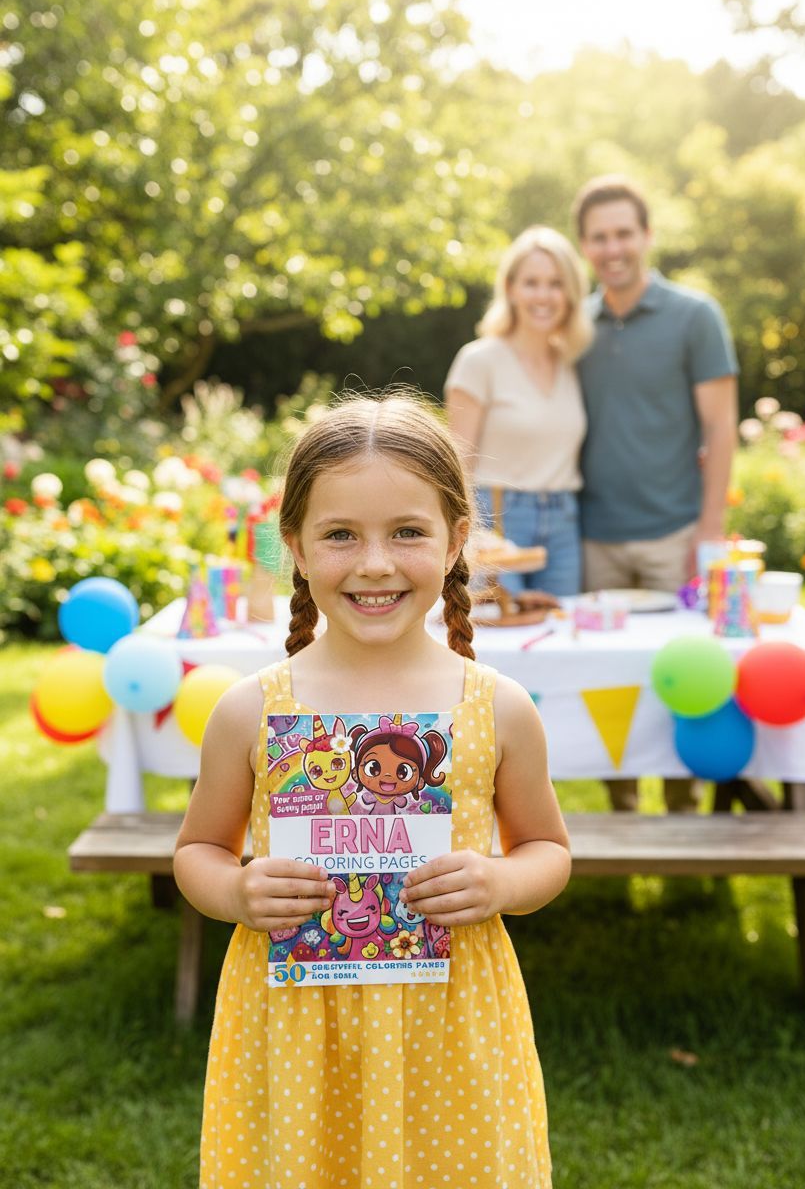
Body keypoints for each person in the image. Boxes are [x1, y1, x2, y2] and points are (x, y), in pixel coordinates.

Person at [174, 392, 571, 1188]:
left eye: (408, 532)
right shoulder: (252, 710)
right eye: (341, 535)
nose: (376, 563)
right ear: (294, 544)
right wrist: (238, 891)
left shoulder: (497, 708)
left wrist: (499, 879)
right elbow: (197, 853)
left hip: (452, 1022)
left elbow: (548, 851)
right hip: (293, 1032)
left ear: (459, 539)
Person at [573, 175, 738, 813]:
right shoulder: (573, 325)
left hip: (675, 529)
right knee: (608, 682)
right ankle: (621, 813)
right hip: (593, 534)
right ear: (584, 246)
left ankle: (682, 811)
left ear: (646, 236)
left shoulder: (695, 316)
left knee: (681, 678)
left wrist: (709, 527)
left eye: (623, 234)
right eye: (598, 237)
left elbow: (721, 425)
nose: (612, 248)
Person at [445, 226, 593, 597]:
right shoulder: (479, 360)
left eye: (556, 283)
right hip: (495, 517)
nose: (543, 295)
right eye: (531, 283)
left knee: (561, 634)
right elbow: (456, 463)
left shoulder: (572, 364)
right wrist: (469, 533)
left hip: (563, 520)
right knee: (494, 635)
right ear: (510, 288)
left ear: (571, 293)